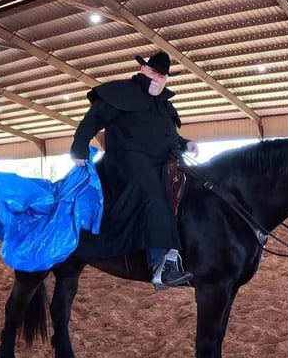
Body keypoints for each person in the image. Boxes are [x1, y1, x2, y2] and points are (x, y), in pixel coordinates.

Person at [70, 51, 199, 288]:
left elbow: (167, 135)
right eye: (153, 72)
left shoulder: (164, 105)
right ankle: (159, 264)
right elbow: (92, 120)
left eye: (162, 76)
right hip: (127, 162)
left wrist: (185, 143)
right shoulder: (121, 94)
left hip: (162, 161)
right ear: (143, 70)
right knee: (152, 193)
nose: (156, 79)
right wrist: (78, 148)